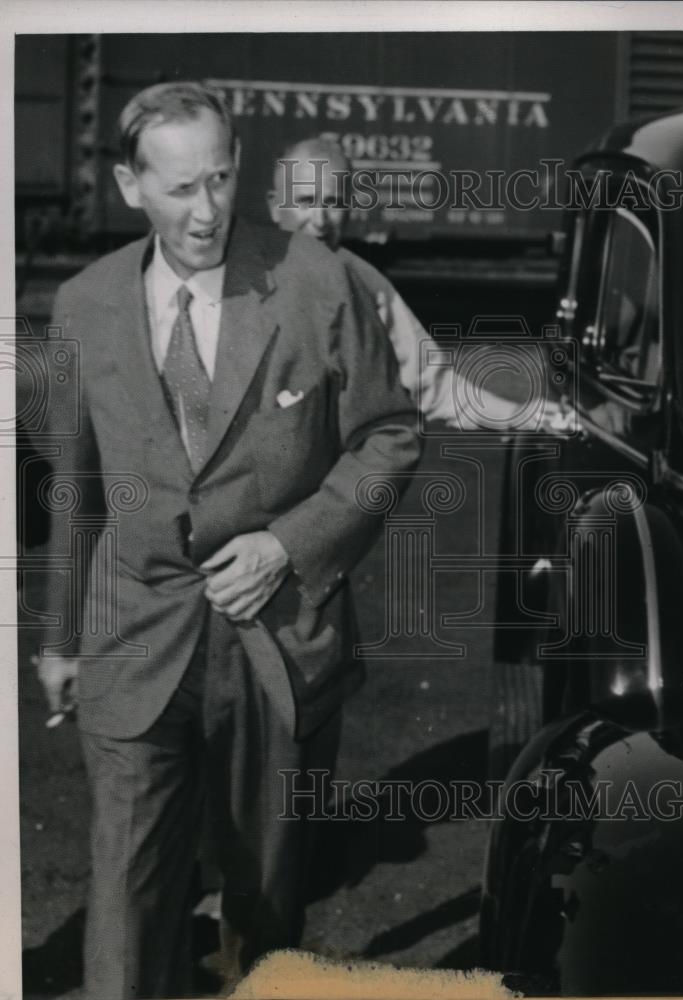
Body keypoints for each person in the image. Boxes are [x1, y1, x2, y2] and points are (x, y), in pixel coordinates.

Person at [34, 83, 420, 1000]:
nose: (206, 211)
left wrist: (286, 545)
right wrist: (59, 638)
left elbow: (391, 436)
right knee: (128, 894)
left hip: (277, 640)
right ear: (130, 186)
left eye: (219, 178)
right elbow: (75, 486)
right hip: (135, 635)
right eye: (180, 189)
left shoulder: (318, 281)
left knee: (266, 903)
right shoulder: (85, 305)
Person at [267, 137, 567, 432]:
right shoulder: (245, 281)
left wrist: (524, 414)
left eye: (333, 203)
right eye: (305, 202)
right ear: (275, 206)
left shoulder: (368, 286)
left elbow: (436, 387)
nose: (320, 220)